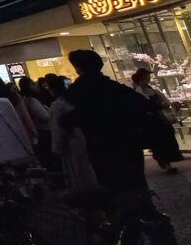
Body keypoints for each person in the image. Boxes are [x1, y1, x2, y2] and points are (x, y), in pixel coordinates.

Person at [61, 49, 176, 243]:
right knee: (137, 189)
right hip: (130, 147)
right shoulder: (115, 88)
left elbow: (68, 119)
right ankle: (148, 225)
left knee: (114, 195)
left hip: (101, 150)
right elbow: (144, 107)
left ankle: (126, 232)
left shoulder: (77, 92)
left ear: (79, 68)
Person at [132, 68, 183, 174]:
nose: (147, 81)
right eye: (145, 79)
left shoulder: (154, 91)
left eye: (148, 79)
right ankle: (166, 163)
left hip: (161, 119)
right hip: (150, 122)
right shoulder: (137, 94)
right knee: (158, 142)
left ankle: (167, 160)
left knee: (168, 136)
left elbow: (164, 102)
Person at [18, 77, 53, 168]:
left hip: (37, 132)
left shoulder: (24, 100)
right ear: (28, 86)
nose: (36, 85)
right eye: (32, 84)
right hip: (43, 131)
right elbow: (44, 117)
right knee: (48, 156)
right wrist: (52, 111)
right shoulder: (32, 101)